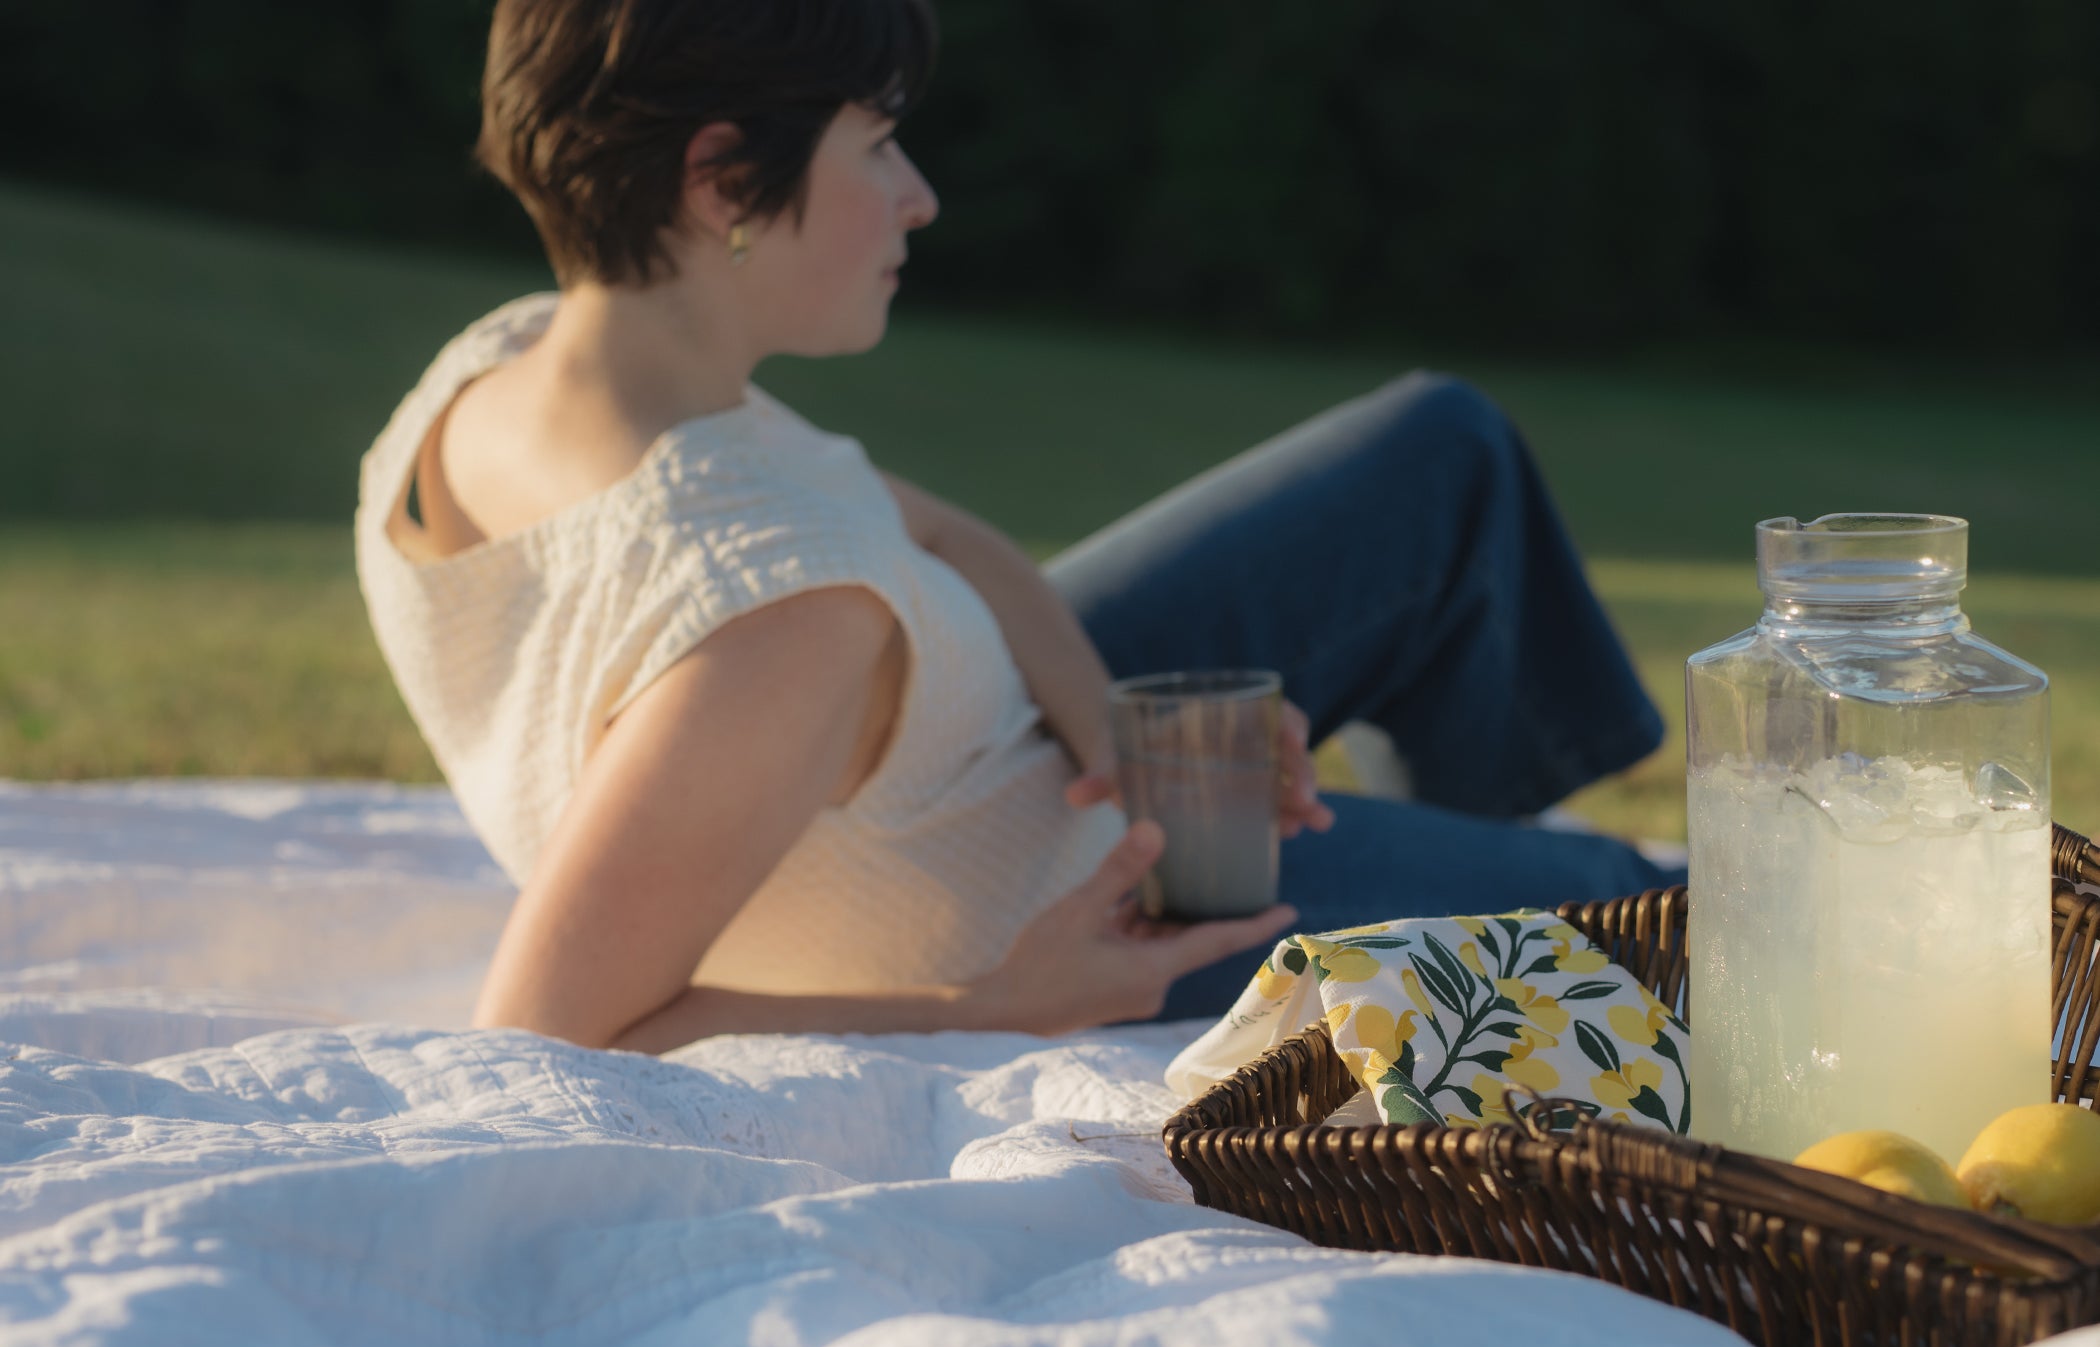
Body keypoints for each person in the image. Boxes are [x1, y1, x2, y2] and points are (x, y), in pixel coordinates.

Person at [355, 0, 1678, 1054]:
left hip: (1000, 746)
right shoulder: (769, 610)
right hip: (1085, 898)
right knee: (1664, 917)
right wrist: (997, 1003)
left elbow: (942, 536)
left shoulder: (505, 372)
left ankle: (1431, 844)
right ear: (721, 181)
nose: (919, 194)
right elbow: (542, 1030)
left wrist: (1110, 724)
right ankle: (1466, 869)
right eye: (875, 144)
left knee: (1441, 458)